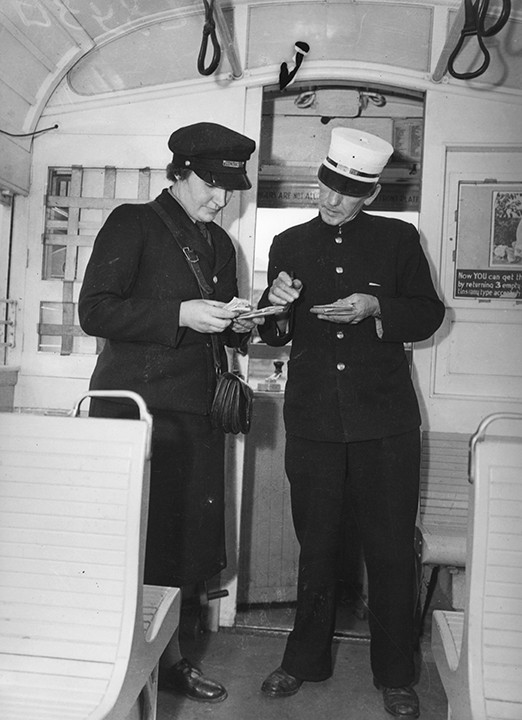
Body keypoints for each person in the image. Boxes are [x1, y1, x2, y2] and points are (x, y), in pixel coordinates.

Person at [257, 127, 445, 718]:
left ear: (369, 194)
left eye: (346, 192)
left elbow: (430, 312)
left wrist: (378, 307)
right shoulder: (287, 243)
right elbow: (270, 332)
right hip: (314, 420)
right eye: (326, 186)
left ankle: (396, 674)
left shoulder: (398, 240)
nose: (332, 200)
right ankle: (303, 661)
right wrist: (278, 304)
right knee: (316, 547)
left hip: (385, 424)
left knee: (390, 548)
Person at [79, 122, 259, 703]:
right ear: (178, 172)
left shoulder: (222, 245)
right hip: (135, 416)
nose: (221, 199)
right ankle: (110, 657)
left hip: (196, 416)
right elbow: (95, 311)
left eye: (230, 189)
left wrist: (251, 319)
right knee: (128, 543)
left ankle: (171, 660)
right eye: (212, 184)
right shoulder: (133, 223)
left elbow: (226, 328)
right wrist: (179, 315)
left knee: (182, 544)